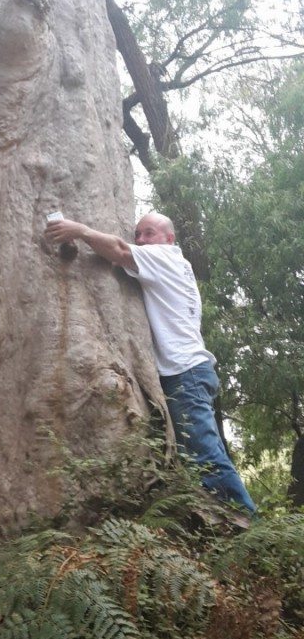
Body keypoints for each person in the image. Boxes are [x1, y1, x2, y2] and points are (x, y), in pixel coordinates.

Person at [45, 211, 257, 516]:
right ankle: (228, 526)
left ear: (168, 238)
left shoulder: (164, 257)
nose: (142, 240)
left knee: (205, 456)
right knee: (202, 453)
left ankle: (250, 528)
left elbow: (118, 250)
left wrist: (79, 229)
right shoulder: (176, 265)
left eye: (149, 233)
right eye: (138, 234)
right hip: (191, 371)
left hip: (185, 373)